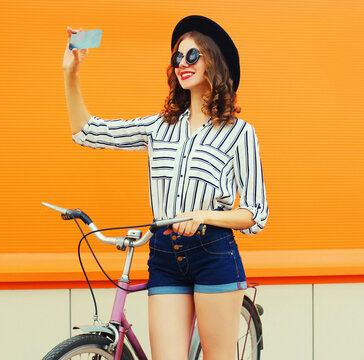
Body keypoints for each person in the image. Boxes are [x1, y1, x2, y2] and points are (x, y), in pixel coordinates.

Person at [63, 15, 268, 360]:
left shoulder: (239, 133)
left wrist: (203, 215)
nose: (182, 64)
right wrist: (71, 72)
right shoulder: (159, 127)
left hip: (213, 253)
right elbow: (87, 132)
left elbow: (255, 213)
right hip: (164, 253)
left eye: (192, 56)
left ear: (213, 62)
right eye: (177, 57)